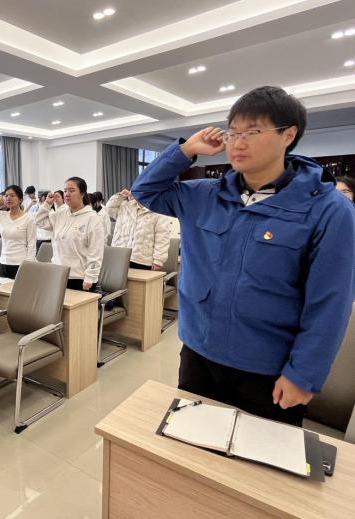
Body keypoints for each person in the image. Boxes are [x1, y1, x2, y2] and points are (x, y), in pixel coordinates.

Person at [131, 85, 355, 426]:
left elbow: (330, 302)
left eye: (252, 131)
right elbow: (145, 190)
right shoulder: (204, 195)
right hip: (199, 353)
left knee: (260, 458)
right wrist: (186, 150)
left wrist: (303, 374)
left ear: (288, 135)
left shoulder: (328, 209)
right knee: (192, 446)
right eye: (233, 132)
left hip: (269, 370)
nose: (237, 142)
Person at [36, 177, 104, 292]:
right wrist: (47, 204)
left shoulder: (93, 219)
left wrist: (90, 277)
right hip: (57, 273)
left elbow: (95, 253)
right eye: (65, 191)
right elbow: (39, 221)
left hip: (79, 277)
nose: (67, 194)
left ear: (82, 193)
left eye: (71, 191)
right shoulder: (60, 214)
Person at [0, 185, 36, 279]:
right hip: (4, 262)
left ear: (20, 199)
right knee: (2, 288)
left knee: (19, 289)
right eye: (6, 195)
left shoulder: (28, 219)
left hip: (21, 264)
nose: (8, 198)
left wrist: (29, 265)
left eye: (12, 195)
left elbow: (32, 244)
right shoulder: (1, 216)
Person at [106, 189, 171, 270]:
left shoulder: (158, 211)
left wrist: (158, 260)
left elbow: (162, 238)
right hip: (119, 255)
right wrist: (119, 196)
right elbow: (108, 209)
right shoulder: (125, 206)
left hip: (141, 260)